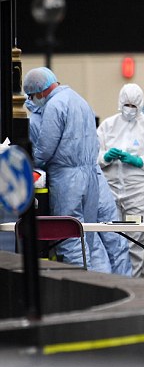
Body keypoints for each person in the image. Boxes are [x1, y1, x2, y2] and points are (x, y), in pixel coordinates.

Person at [26, 97, 132, 275]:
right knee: (97, 238)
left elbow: (43, 153)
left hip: (73, 180)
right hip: (90, 176)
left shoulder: (45, 117)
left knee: (81, 239)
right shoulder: (78, 106)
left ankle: (95, 288)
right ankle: (116, 285)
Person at [23, 67, 104, 271]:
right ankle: (100, 287)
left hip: (68, 180)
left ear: (39, 90)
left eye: (32, 95)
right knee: (89, 239)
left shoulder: (54, 105)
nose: (32, 100)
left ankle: (80, 289)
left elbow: (45, 148)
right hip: (90, 177)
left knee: (70, 239)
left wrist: (29, 162)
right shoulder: (79, 100)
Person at [97, 83, 144, 278]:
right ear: (120, 103)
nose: (129, 109)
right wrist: (105, 157)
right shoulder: (108, 126)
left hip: (138, 196)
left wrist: (137, 160)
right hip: (110, 193)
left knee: (135, 243)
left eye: (134, 106)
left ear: (140, 105)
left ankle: (132, 284)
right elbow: (92, 156)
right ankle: (113, 284)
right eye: (126, 105)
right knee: (112, 240)